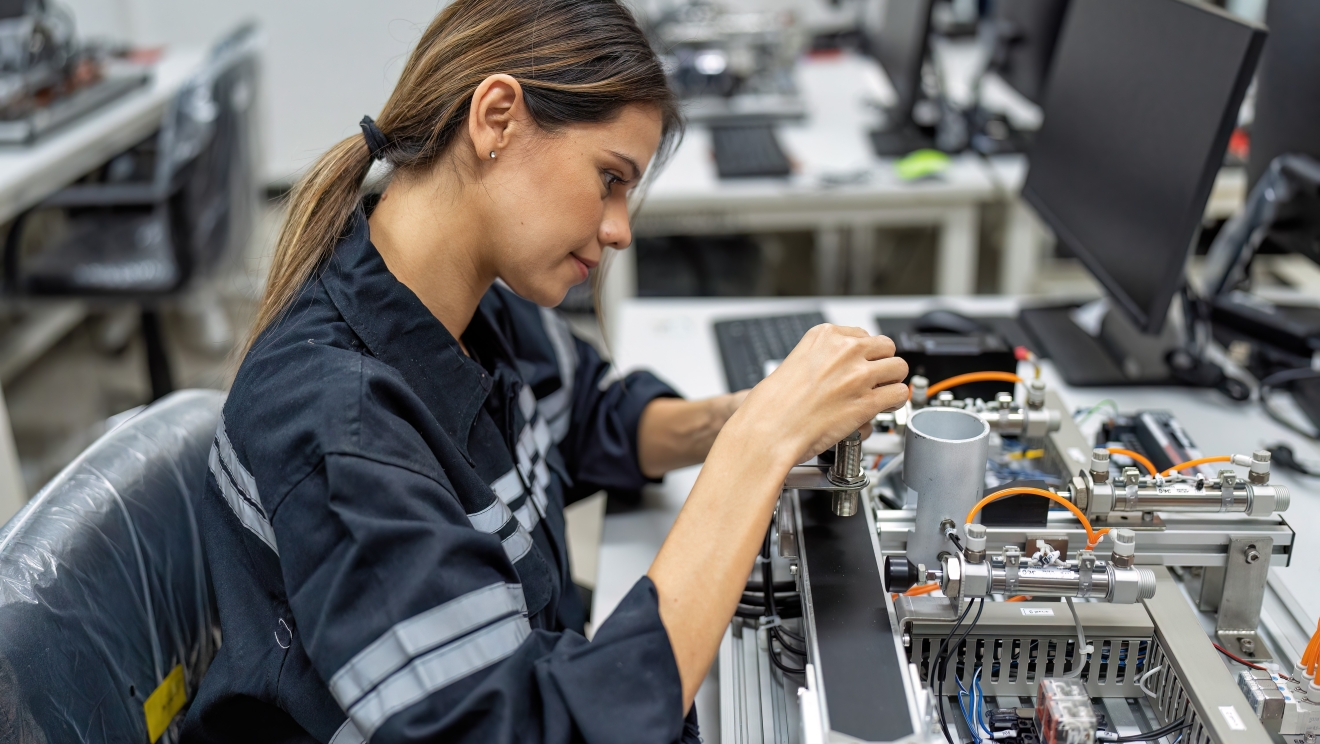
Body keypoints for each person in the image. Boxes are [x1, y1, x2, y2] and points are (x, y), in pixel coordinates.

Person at [183, 0, 908, 742]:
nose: (619, 229)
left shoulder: (464, 309)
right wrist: (756, 451)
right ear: (497, 119)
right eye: (609, 179)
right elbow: (525, 729)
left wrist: (748, 417)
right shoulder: (341, 423)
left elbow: (596, 418)